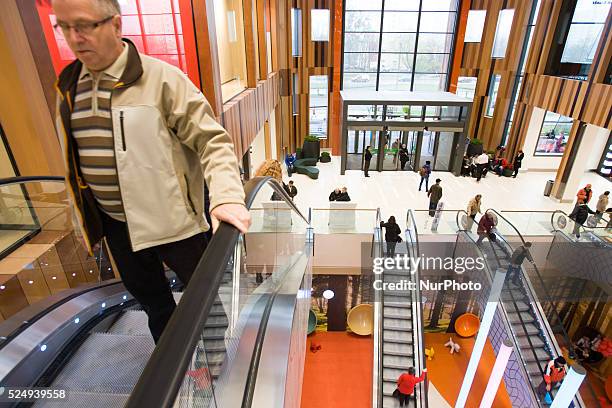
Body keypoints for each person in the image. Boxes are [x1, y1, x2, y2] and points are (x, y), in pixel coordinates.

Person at [52, 0, 250, 343]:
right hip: (115, 226)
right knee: (154, 305)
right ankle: (171, 374)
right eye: (65, 27)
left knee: (203, 299)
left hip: (174, 223)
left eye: (84, 25)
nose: (75, 37)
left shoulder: (161, 79)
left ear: (115, 24)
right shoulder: (68, 86)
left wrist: (227, 196)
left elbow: (212, 141)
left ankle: (214, 358)